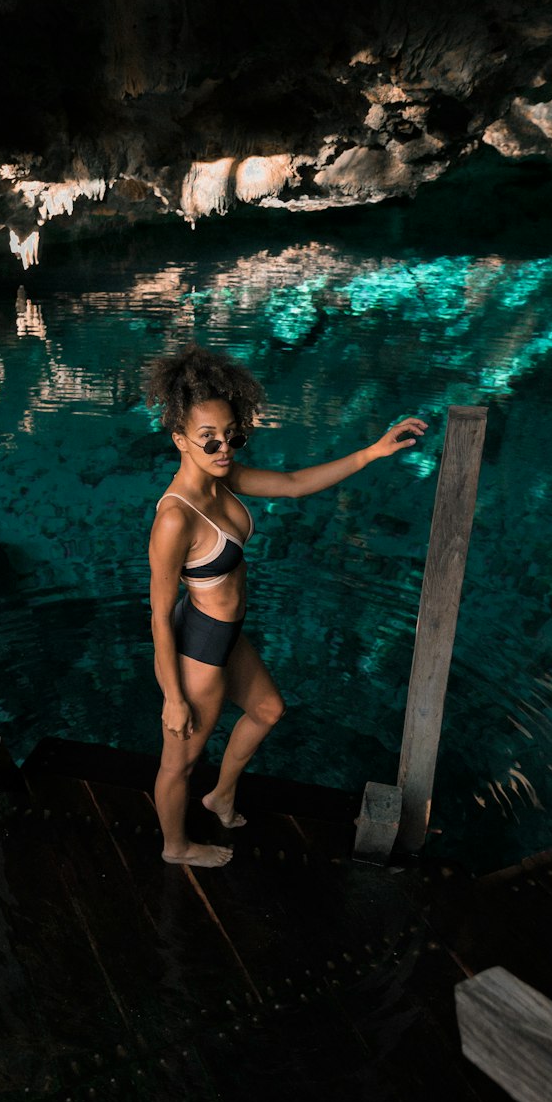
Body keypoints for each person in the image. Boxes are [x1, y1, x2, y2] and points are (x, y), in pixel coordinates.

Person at [145, 343, 427, 868]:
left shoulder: (223, 478)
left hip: (226, 634)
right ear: (180, 439)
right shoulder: (174, 519)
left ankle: (221, 795)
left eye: (233, 434)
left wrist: (372, 452)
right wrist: (173, 696)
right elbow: (160, 614)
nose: (224, 448)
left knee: (268, 709)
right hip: (201, 645)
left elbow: (295, 485)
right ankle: (176, 847)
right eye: (209, 441)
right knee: (177, 763)